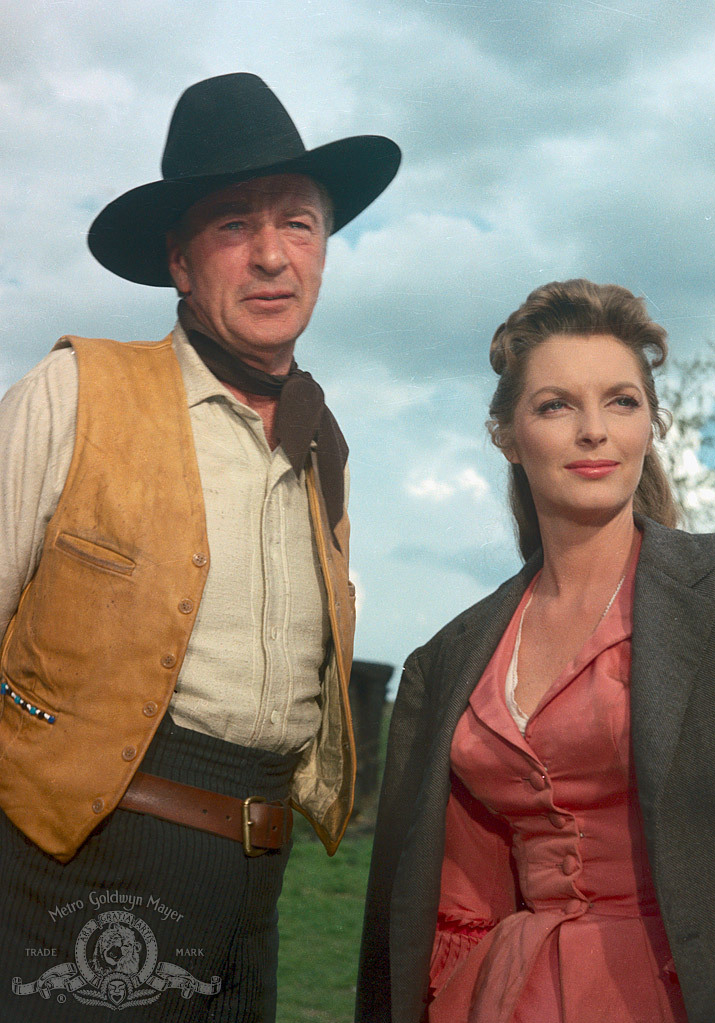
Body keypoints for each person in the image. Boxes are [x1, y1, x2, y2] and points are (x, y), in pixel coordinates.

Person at [0, 72, 400, 1022]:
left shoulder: (324, 450)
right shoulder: (72, 392)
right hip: (69, 884)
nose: (272, 256)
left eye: (297, 224)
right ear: (181, 263)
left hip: (250, 906)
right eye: (234, 226)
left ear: (325, 249)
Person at [356, 279, 715, 1023]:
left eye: (622, 401)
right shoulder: (448, 659)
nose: (593, 430)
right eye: (556, 404)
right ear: (506, 433)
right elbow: (440, 903)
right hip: (504, 996)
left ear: (652, 424)